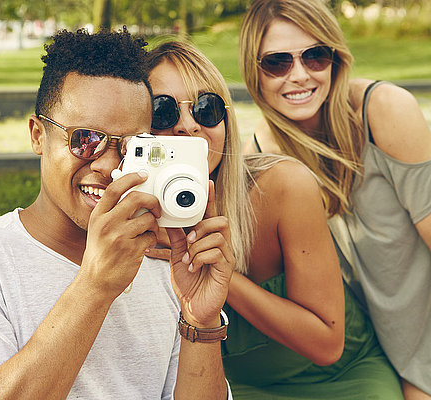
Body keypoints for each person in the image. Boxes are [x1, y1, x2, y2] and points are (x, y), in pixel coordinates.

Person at [0, 29, 233, 400]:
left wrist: (200, 321)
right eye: (85, 139)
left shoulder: (163, 261)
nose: (107, 165)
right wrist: (95, 286)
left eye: (132, 147)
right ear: (38, 135)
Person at [146, 40, 403, 398]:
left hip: (341, 378)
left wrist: (219, 274)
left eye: (206, 108)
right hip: (227, 388)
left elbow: (327, 345)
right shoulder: (126, 221)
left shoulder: (282, 186)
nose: (188, 126)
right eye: (163, 111)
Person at [239, 0, 431, 398]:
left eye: (315, 56)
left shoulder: (383, 111)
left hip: (421, 334)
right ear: (253, 73)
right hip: (363, 348)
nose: (299, 76)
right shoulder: (260, 154)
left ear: (335, 59)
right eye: (277, 62)